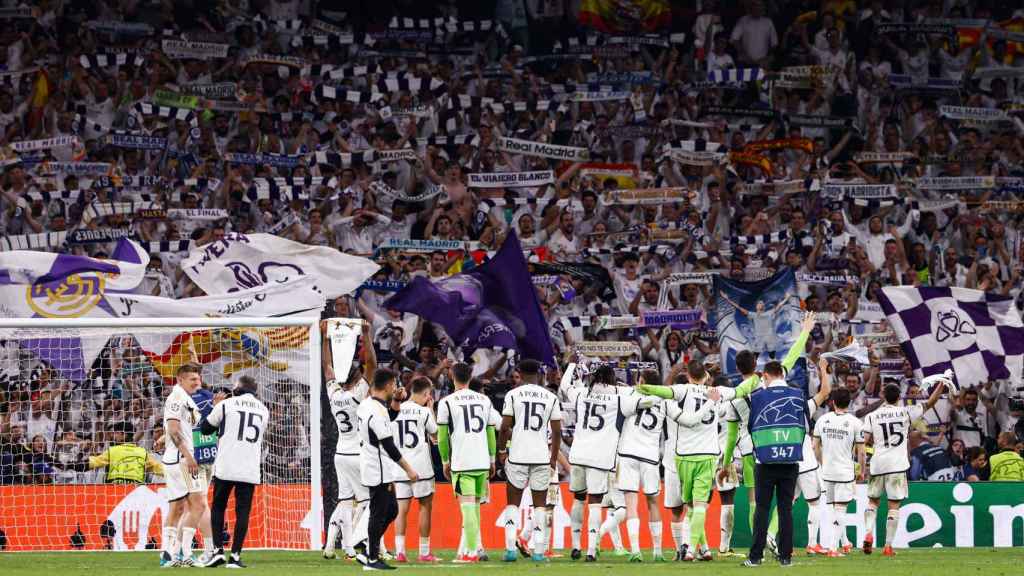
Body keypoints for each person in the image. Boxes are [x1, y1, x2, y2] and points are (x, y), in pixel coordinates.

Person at [721, 311, 816, 558]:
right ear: (757, 366)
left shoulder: (750, 387)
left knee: (759, 505)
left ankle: (758, 552)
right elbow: (793, 356)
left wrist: (725, 395)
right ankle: (778, 549)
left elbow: (738, 395)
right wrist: (805, 332)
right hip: (783, 451)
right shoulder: (767, 380)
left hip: (755, 451)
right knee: (783, 507)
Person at [638, 360, 737, 561]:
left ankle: (684, 548)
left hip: (676, 459)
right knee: (695, 505)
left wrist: (642, 385)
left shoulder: (670, 403)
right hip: (701, 454)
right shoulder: (708, 401)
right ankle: (700, 547)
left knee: (682, 508)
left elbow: (664, 392)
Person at [561, 364, 654, 561]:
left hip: (578, 454)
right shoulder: (620, 398)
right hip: (600, 458)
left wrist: (570, 365)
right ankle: (591, 551)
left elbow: (564, 386)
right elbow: (646, 402)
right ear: (612, 379)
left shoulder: (581, 393)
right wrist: (627, 387)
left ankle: (576, 546)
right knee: (595, 503)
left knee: (578, 498)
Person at [861, 379, 947, 556]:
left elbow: (865, 440)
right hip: (897, 465)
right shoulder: (905, 412)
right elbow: (930, 402)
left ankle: (868, 534)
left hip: (878, 463)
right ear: (899, 397)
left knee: (873, 501)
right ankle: (887, 546)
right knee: (894, 505)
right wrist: (942, 384)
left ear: (884, 396)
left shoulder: (872, 416)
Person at [199, 376, 269, 568]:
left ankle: (218, 551)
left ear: (238, 388)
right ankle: (236, 556)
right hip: (249, 467)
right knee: (243, 511)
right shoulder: (264, 410)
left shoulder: (226, 404)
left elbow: (205, 429)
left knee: (218, 507)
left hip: (226, 464)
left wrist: (215, 406)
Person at [497, 359, 562, 563]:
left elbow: (505, 427)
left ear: (520, 373)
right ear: (539, 374)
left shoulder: (513, 394)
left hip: (517, 455)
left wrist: (501, 450)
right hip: (541, 456)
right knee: (540, 505)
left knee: (513, 504)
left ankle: (510, 550)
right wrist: (553, 459)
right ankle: (539, 552)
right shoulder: (550, 397)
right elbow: (557, 431)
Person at [356, 368, 420, 571]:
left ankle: (369, 550)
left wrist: (397, 402)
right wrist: (409, 469)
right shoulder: (376, 410)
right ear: (388, 385)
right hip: (378, 467)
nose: (396, 387)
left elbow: (387, 422)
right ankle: (372, 558)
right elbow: (389, 445)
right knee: (379, 512)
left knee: (391, 509)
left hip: (372, 464)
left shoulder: (368, 404)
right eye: (394, 384)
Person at [437, 362, 499, 564]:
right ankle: (478, 547)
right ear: (471, 376)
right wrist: (492, 459)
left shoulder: (446, 402)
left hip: (462, 461)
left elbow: (443, 437)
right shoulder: (484, 400)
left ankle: (470, 552)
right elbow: (490, 432)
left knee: (468, 508)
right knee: (476, 508)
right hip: (481, 460)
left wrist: (445, 461)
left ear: (451, 376)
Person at [323, 320, 374, 561]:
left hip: (340, 454)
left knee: (344, 501)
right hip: (358, 454)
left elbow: (327, 367)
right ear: (356, 379)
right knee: (368, 501)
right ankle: (357, 542)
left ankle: (332, 546)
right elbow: (372, 365)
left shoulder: (334, 395)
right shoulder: (358, 395)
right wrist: (366, 334)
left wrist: (324, 339)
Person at [615, 369, 666, 562]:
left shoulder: (630, 395)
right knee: (653, 502)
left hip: (628, 453)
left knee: (631, 503)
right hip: (650, 456)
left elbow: (626, 409)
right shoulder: (665, 401)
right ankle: (658, 551)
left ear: (642, 381)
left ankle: (635, 550)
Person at [159, 363, 205, 567]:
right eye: (192, 379)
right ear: (180, 380)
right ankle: (169, 554)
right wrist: (188, 456)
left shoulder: (186, 398)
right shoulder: (177, 397)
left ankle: (183, 554)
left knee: (191, 506)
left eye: (198, 379)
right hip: (181, 459)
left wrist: (163, 438)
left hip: (184, 457)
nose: (198, 382)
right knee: (183, 506)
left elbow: (178, 427)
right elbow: (174, 429)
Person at [391, 376, 439, 563]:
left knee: (401, 510)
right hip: (421, 468)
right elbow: (435, 434)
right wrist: (431, 410)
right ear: (427, 394)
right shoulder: (423, 412)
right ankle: (424, 552)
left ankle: (400, 552)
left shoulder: (394, 410)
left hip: (400, 466)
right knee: (425, 507)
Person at [813, 388, 866, 558]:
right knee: (840, 510)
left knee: (833, 510)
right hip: (844, 472)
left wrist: (822, 463)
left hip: (827, 471)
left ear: (832, 402)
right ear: (849, 403)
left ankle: (845, 543)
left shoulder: (822, 420)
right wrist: (862, 471)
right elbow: (862, 452)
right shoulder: (856, 423)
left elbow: (815, 447)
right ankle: (833, 549)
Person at [85, 422, 163, 483]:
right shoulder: (143, 453)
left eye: (116, 433)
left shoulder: (112, 451)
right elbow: (163, 470)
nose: (113, 436)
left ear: (123, 434)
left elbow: (90, 464)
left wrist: (73, 465)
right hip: (136, 496)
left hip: (115, 495)